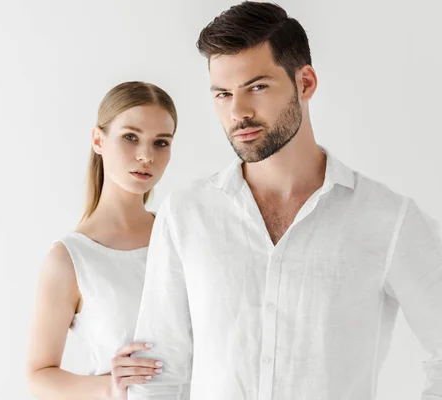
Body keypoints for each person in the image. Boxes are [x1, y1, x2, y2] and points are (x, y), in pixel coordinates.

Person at [128, 2, 442, 399]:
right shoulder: (186, 213)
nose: (237, 112)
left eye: (256, 87)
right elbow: (159, 373)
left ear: (305, 83)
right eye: (223, 94)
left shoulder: (387, 219)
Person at [27, 81, 178, 399]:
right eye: (131, 137)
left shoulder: (181, 235)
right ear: (98, 139)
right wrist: (110, 385)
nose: (146, 155)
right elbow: (38, 376)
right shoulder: (70, 259)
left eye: (160, 142)